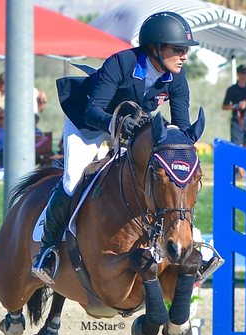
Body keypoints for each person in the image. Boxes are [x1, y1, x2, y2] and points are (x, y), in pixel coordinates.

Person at [32, 11, 203, 284]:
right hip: (88, 125)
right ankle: (48, 250)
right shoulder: (122, 63)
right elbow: (92, 111)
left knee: (168, 177)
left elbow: (179, 125)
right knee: (73, 178)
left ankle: (188, 243)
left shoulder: (177, 78)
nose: (184, 56)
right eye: (179, 49)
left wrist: (184, 139)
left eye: (185, 50)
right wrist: (122, 124)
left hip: (130, 130)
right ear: (156, 48)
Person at [222, 64, 246, 152]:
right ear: (238, 74)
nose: (244, 75)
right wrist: (237, 106)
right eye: (243, 73)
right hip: (237, 122)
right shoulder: (232, 89)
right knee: (237, 147)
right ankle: (238, 166)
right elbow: (224, 106)